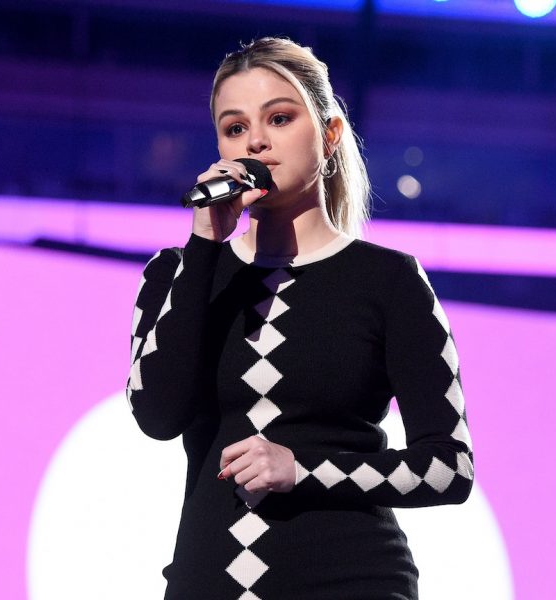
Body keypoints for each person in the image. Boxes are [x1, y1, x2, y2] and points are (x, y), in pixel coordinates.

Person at [126, 37, 473, 600]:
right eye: (234, 128)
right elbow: (156, 414)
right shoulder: (177, 273)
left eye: (280, 118)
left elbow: (449, 468)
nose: (256, 141)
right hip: (210, 581)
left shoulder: (389, 281)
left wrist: (302, 469)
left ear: (329, 134)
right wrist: (205, 247)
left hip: (351, 582)